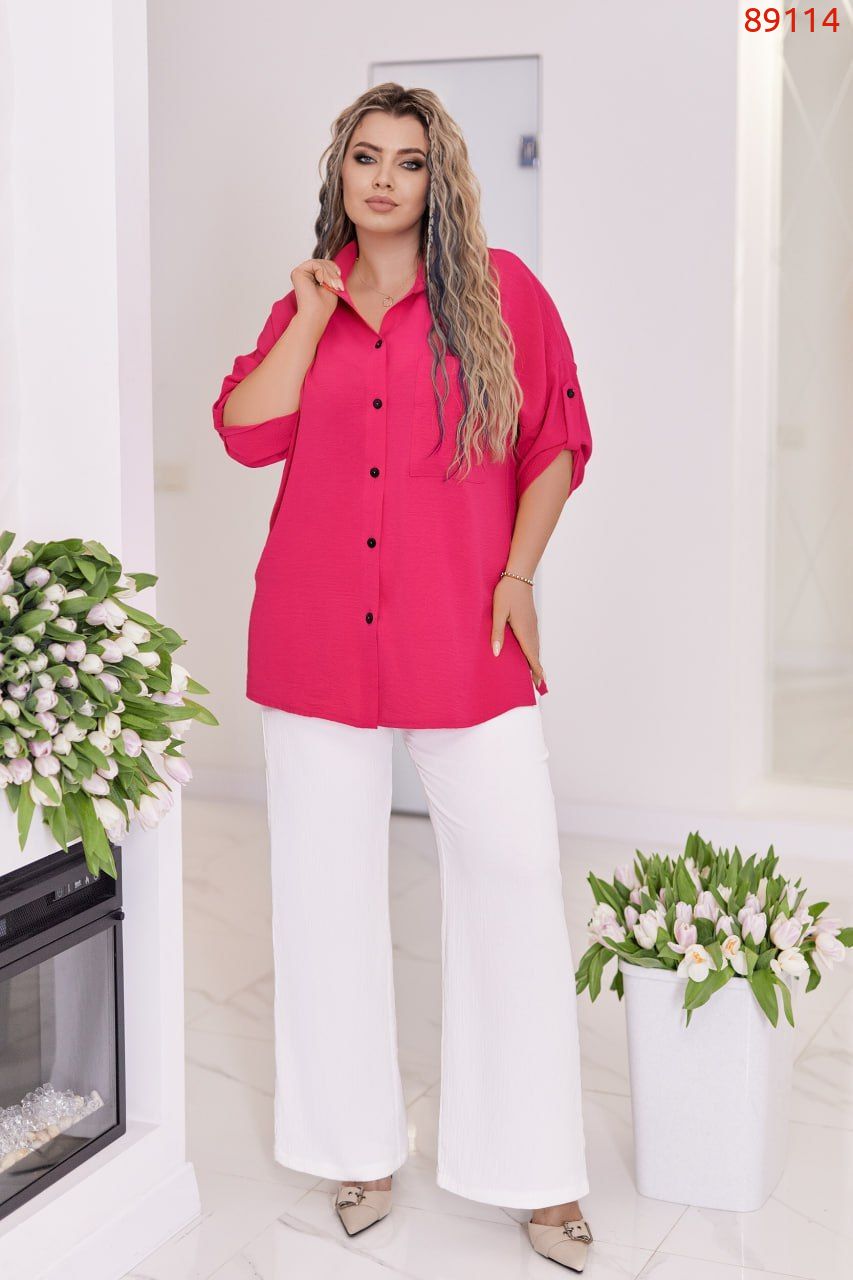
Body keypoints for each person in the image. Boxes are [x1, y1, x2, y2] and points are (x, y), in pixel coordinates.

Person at [212, 82, 594, 1272]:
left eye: (408, 160)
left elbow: (555, 440)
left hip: (461, 631)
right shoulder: (306, 301)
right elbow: (243, 430)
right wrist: (306, 318)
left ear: (439, 180)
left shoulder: (502, 291)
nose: (384, 178)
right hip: (317, 633)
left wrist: (517, 574)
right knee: (322, 892)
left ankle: (535, 1168)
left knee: (513, 878)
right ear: (340, 172)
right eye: (366, 157)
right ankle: (356, 1149)